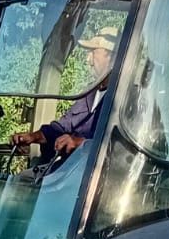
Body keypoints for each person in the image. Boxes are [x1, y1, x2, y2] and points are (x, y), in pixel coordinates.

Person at [11, 26, 118, 173]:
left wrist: (80, 143)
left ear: (112, 57)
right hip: (67, 173)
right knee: (19, 180)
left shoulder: (125, 101)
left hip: (96, 179)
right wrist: (33, 136)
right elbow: (62, 127)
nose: (89, 60)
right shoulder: (89, 93)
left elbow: (120, 150)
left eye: (93, 52)